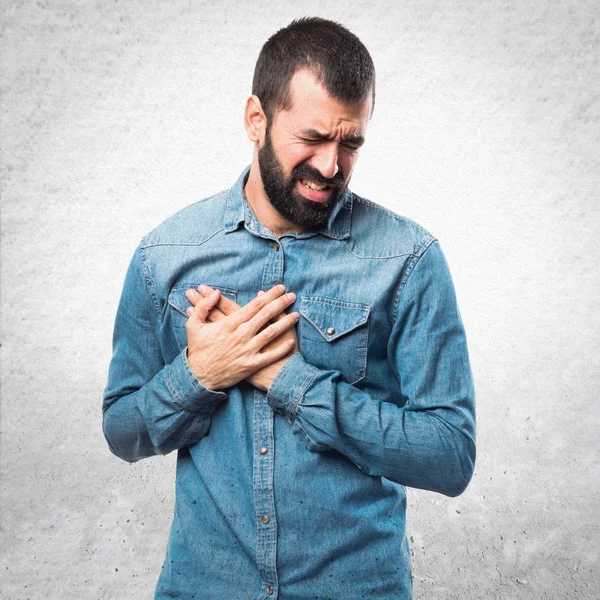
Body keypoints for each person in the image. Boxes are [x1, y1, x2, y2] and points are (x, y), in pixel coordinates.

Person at [103, 16, 476, 599]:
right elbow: (122, 431)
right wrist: (199, 375)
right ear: (257, 119)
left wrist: (294, 383)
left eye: (349, 143)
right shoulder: (165, 255)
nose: (331, 167)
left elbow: (451, 455)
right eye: (313, 138)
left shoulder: (409, 259)